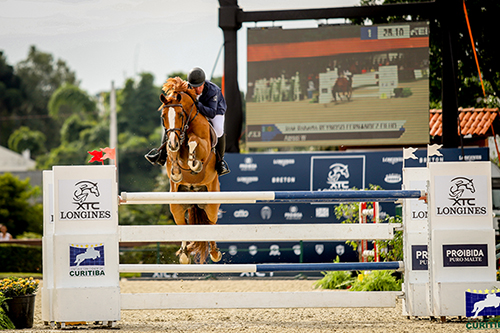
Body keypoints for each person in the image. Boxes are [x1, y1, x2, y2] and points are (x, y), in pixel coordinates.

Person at [145, 67, 230, 176]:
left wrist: (196, 104)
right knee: (174, 124)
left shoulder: (213, 91)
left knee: (218, 130)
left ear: (204, 83)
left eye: (199, 86)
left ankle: (220, 161)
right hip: (194, 110)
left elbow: (211, 112)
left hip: (214, 110)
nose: (197, 90)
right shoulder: (186, 87)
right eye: (194, 87)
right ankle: (161, 154)